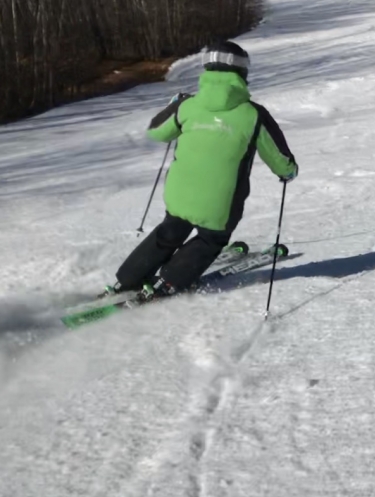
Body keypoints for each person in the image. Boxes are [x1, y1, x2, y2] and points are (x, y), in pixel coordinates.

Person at [110, 40, 298, 302]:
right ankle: (169, 281)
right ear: (242, 73)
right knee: (211, 238)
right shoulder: (253, 115)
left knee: (169, 232)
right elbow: (280, 160)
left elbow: (156, 131)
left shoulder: (187, 106)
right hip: (219, 203)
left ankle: (127, 279)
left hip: (179, 193)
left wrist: (173, 105)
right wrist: (288, 172)